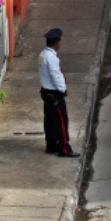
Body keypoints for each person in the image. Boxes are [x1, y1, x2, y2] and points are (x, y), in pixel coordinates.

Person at [39, 28, 77, 157]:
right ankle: (64, 148)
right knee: (61, 121)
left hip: (46, 92)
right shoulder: (51, 58)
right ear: (57, 43)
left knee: (49, 121)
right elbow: (56, 75)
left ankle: (51, 145)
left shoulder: (42, 54)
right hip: (54, 94)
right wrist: (63, 89)